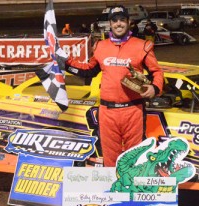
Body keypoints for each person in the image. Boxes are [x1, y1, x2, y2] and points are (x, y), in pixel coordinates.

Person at [62, 5, 164, 167]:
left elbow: (157, 72)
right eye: (114, 21)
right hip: (107, 112)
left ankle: (132, 191)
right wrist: (66, 62)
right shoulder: (101, 46)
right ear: (110, 24)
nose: (118, 24)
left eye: (122, 20)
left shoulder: (142, 46)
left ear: (129, 22)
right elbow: (88, 71)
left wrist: (155, 88)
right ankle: (113, 191)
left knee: (134, 158)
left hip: (133, 110)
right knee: (110, 159)